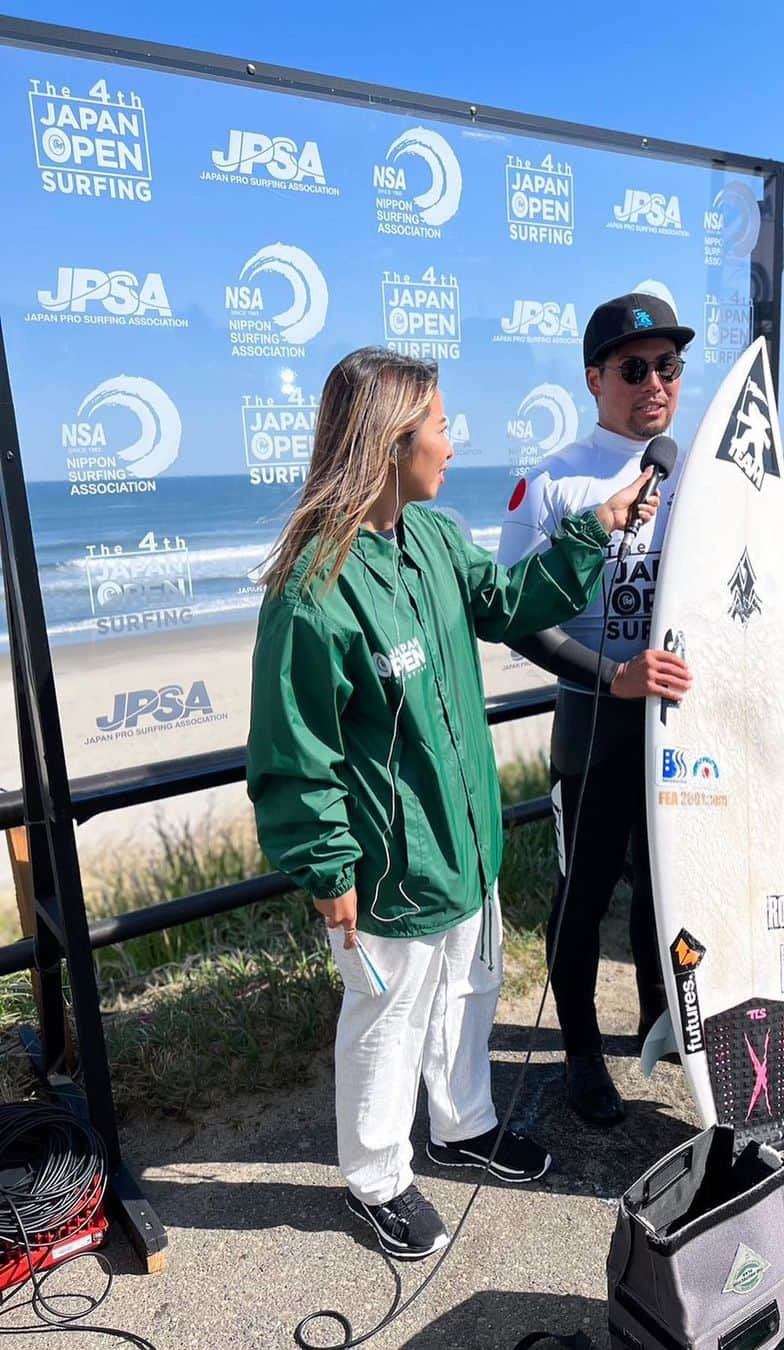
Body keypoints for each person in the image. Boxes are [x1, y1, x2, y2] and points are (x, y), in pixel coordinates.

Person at [246, 346, 659, 1260]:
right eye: (438, 425)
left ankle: (464, 1127)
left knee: (469, 989)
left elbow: (508, 601)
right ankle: (377, 1180)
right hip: (388, 871)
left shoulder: (432, 538)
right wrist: (328, 873)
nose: (450, 439)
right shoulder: (313, 591)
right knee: (387, 1024)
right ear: (391, 442)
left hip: (467, 846)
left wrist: (596, 527)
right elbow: (292, 754)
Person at [497, 292, 694, 1127]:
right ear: (594, 378)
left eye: (670, 366)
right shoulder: (550, 482)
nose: (656, 382)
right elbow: (516, 617)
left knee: (668, 888)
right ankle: (581, 1051)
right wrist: (612, 674)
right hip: (595, 726)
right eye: (634, 367)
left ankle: (665, 1019)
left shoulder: (701, 474)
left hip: (680, 726)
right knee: (583, 894)